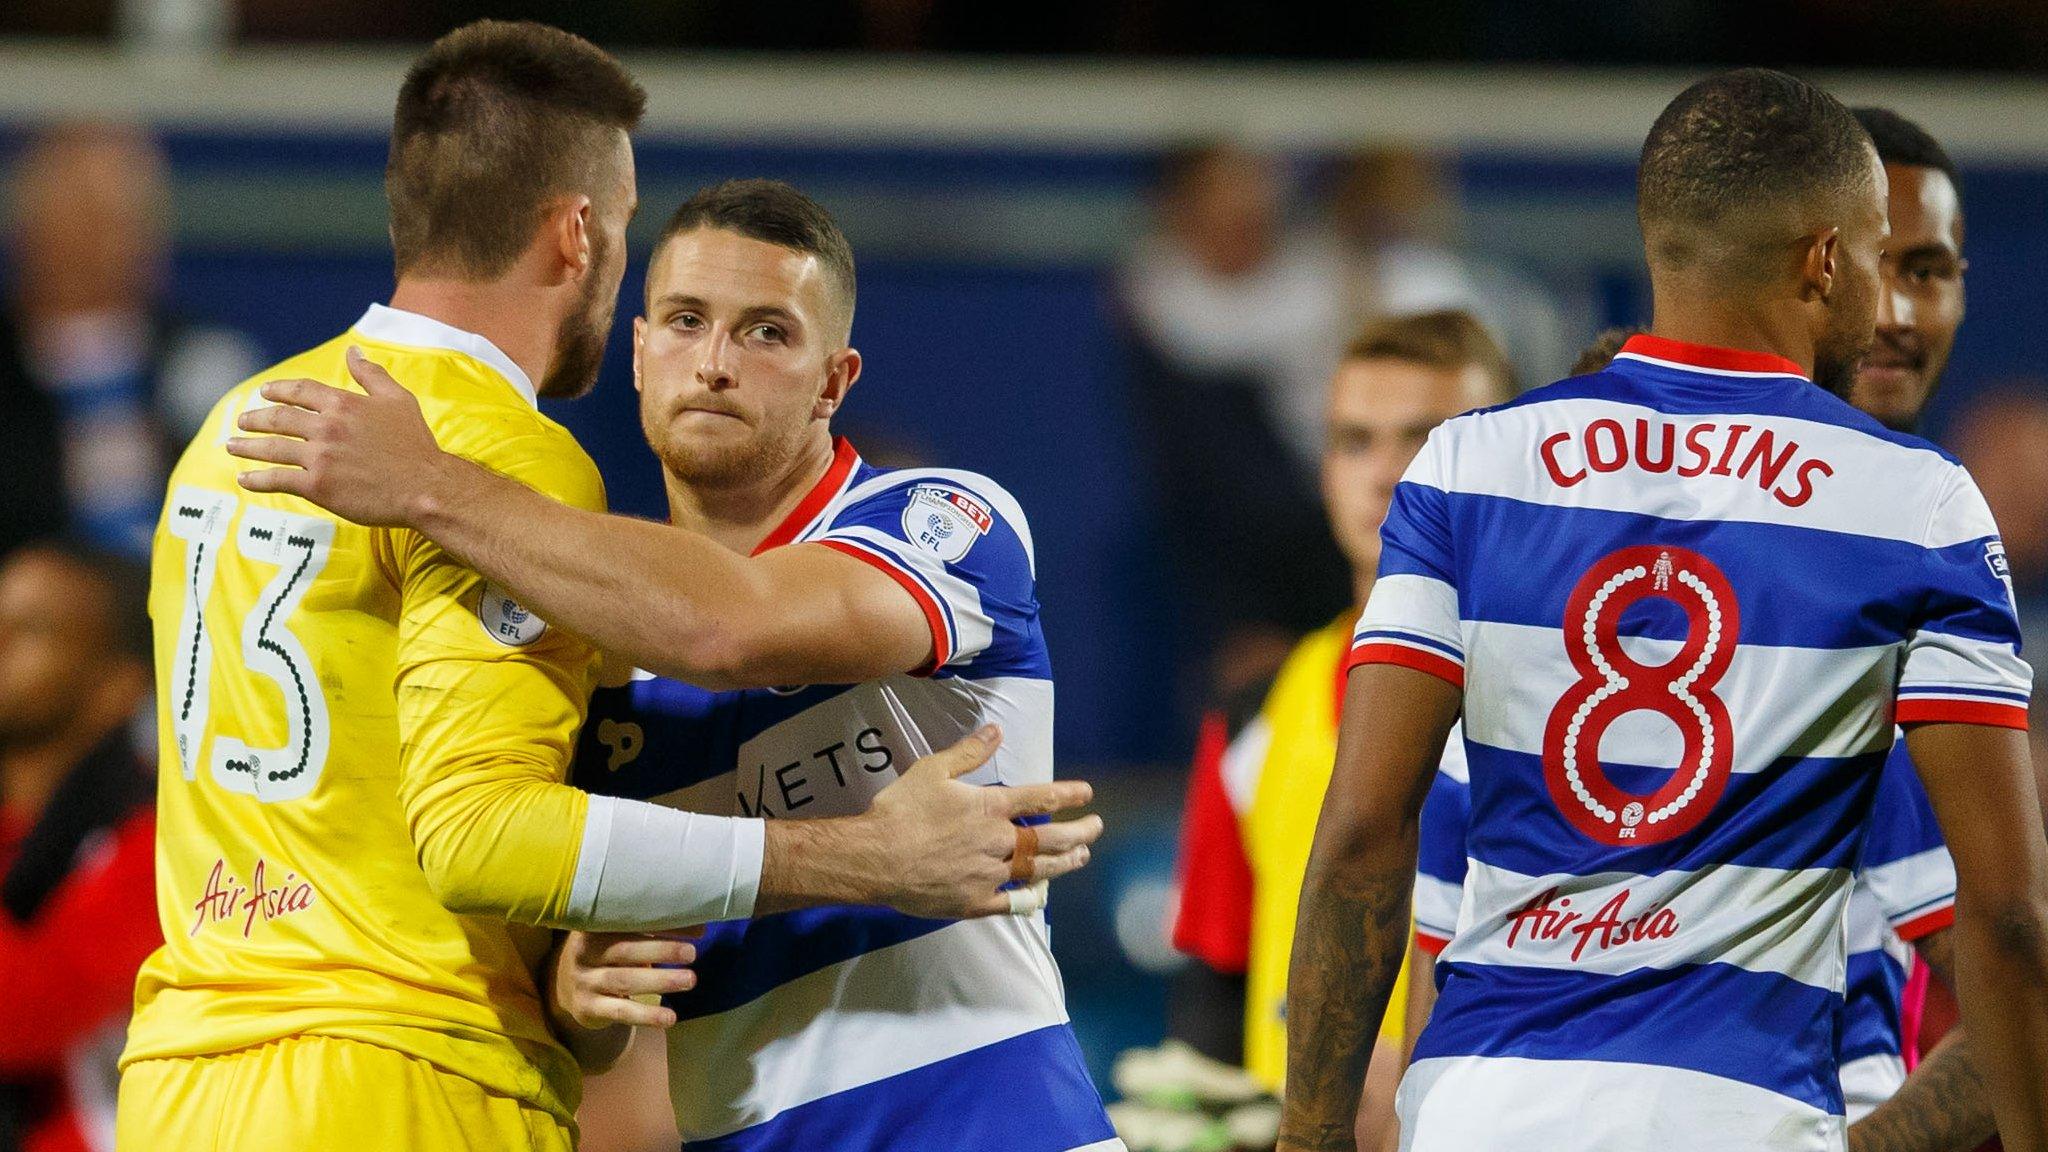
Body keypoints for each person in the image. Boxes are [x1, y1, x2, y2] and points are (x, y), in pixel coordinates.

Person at [116, 23, 1098, 1152]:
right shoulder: (564, 578)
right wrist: (576, 983)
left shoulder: (946, 522)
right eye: (683, 320)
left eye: (766, 332)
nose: (715, 361)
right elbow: (520, 866)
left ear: (836, 380)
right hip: (421, 1078)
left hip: (991, 1132)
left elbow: (736, 626)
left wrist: (434, 484)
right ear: (623, 324)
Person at [1279, 68, 2048, 1152]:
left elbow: (1362, 834)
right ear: (1825, 260)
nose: (1885, 300)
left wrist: (1305, 1139)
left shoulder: (1467, 465)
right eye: (1879, 257)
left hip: (1477, 1113)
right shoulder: (1913, 504)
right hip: (1736, 1114)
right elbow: (2008, 918)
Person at [1165, 311, 1514, 1147]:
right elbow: (1216, 987)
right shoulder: (1254, 714)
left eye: (1427, 440)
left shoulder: (1553, 704)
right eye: (1354, 441)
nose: (1386, 473)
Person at [0, 124, 264, 559]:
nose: (97, 245)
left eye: (118, 219)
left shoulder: (209, 364)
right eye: (79, 219)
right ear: (27, 230)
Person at [0, 541, 157, 1152]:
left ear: (118, 685)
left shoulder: (148, 841)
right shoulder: (13, 832)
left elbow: (19, 1016)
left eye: (32, 630)